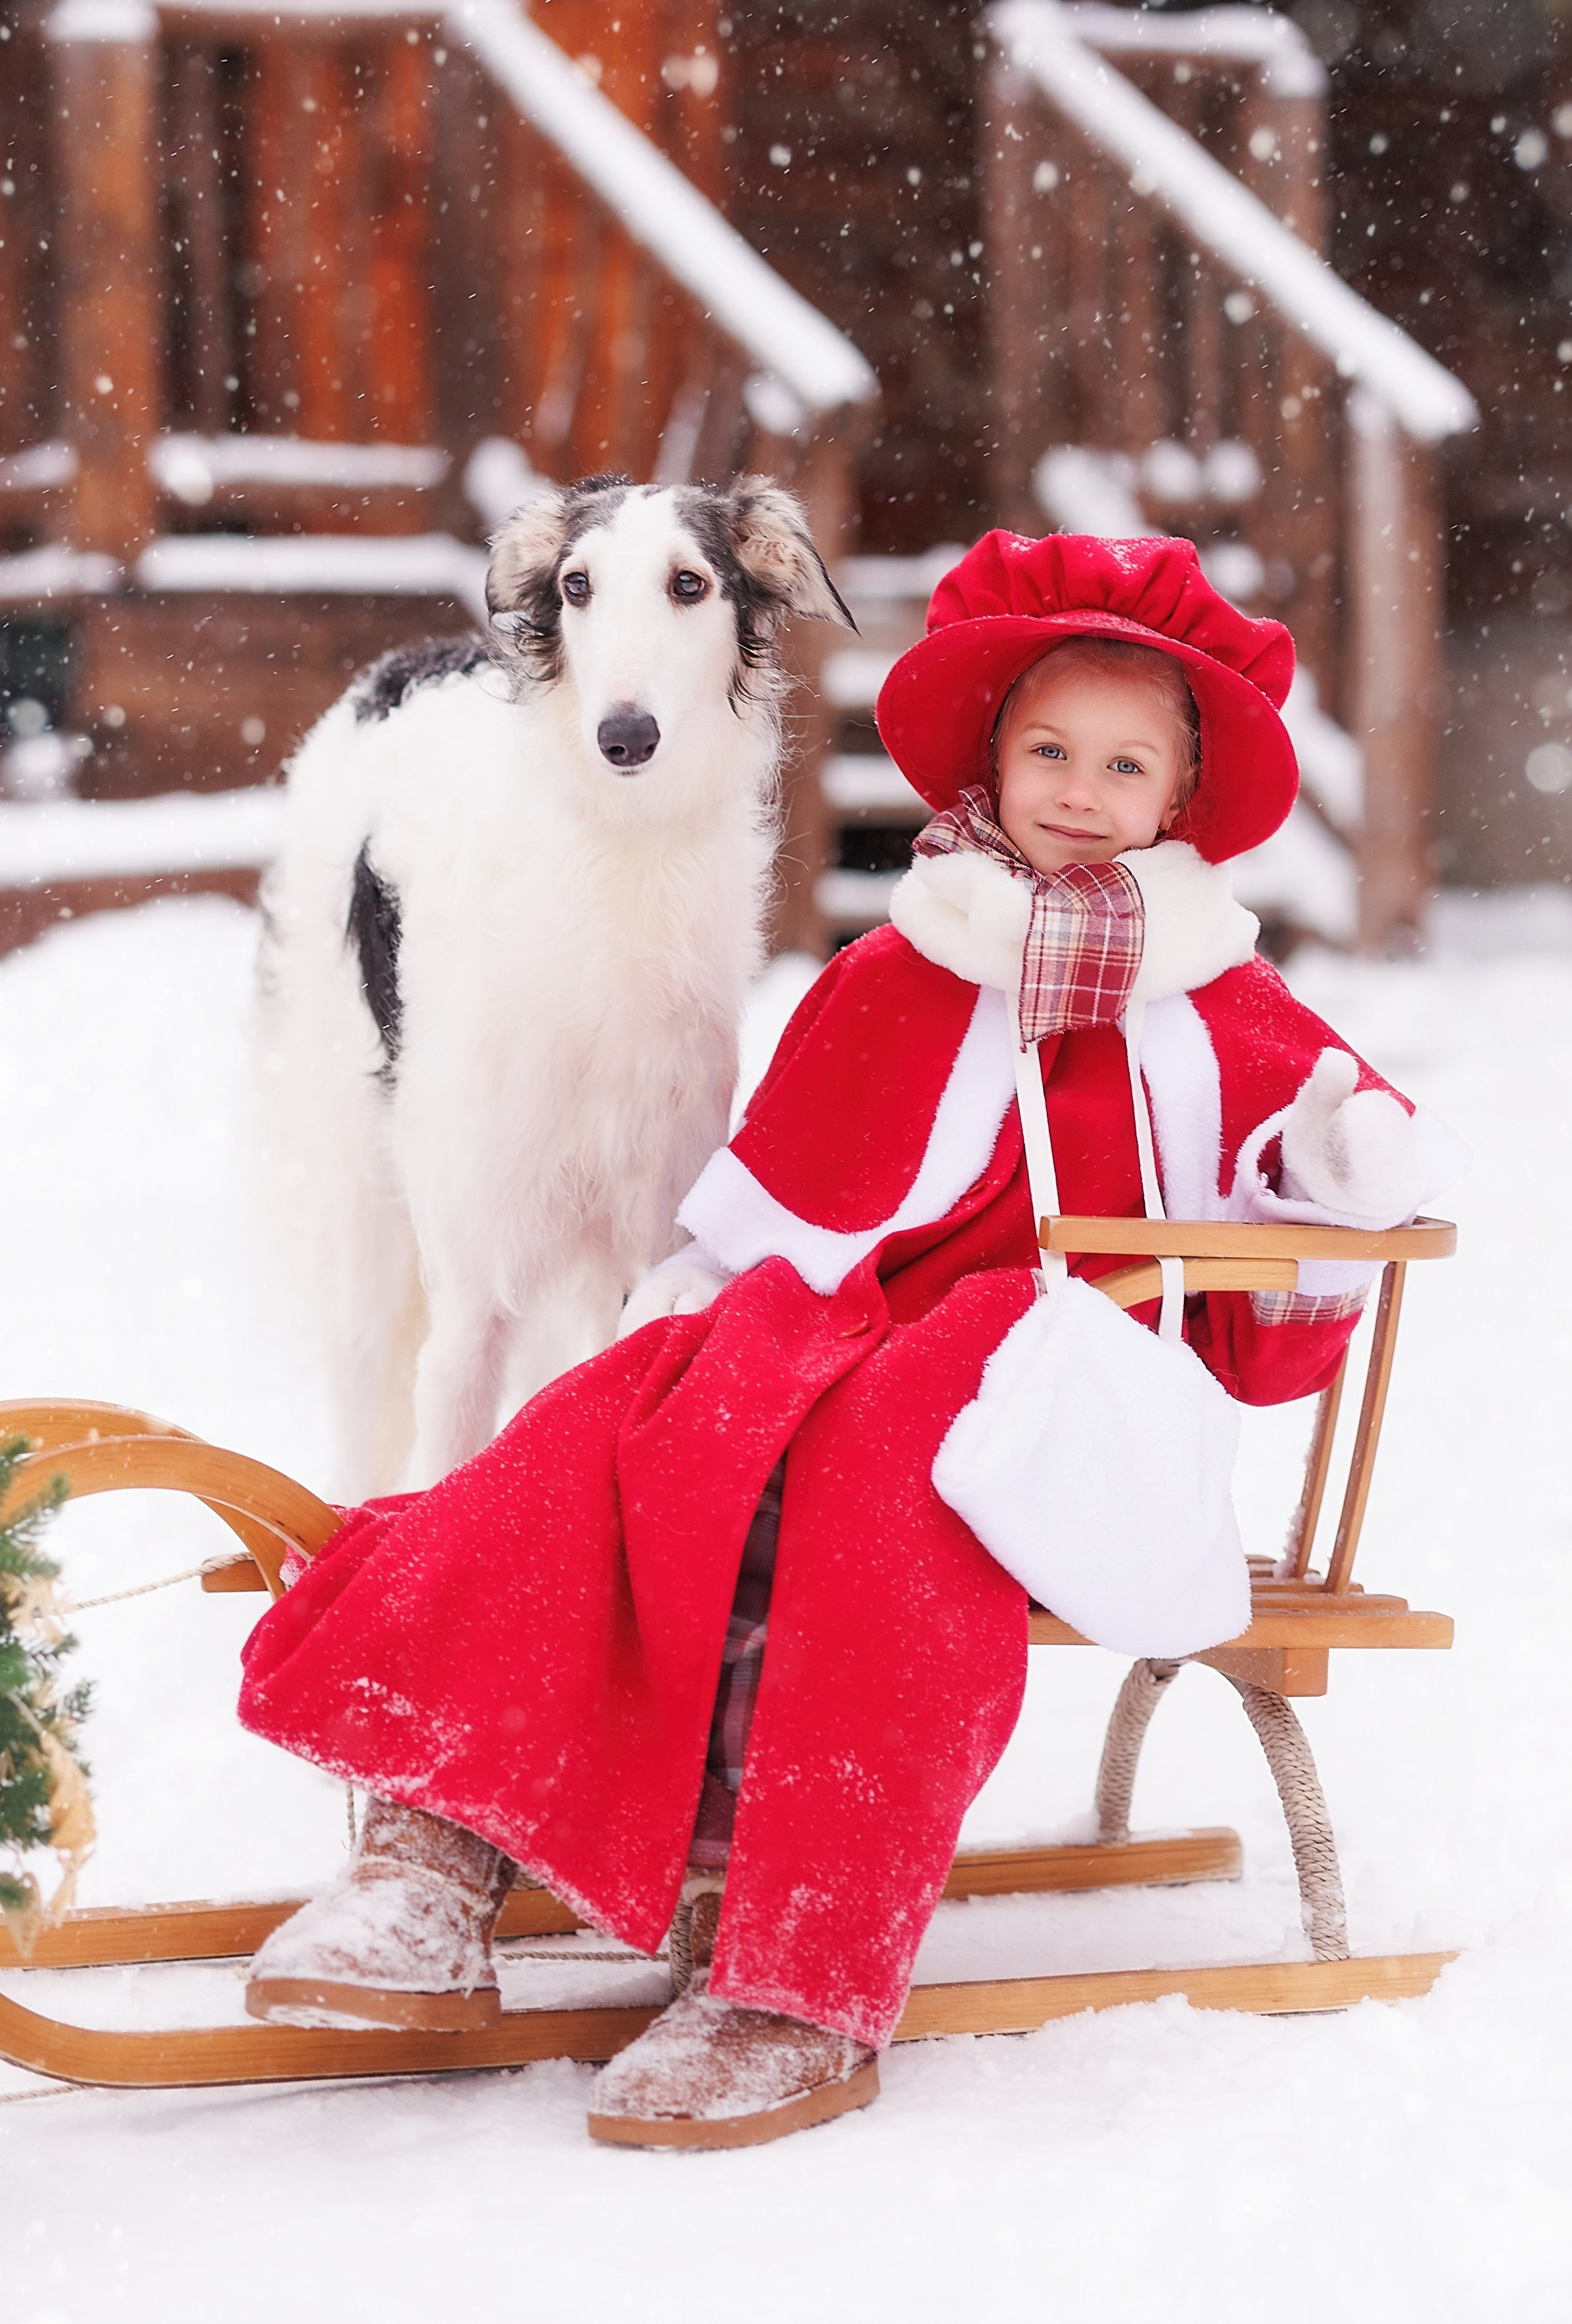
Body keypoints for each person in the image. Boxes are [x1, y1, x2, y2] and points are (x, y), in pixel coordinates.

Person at [236, 529, 1458, 2152]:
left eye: (1122, 766)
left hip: (1068, 1419)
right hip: (847, 1375)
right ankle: (436, 1848)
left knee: (912, 1409)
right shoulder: (900, 970)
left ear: (1178, 796)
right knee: (642, 1398)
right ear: (990, 761)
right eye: (1047, 752)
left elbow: (1307, 1242)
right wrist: (699, 1349)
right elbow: (755, 1227)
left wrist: (1331, 1168)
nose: (1078, 793)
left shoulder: (1218, 1005)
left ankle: (794, 1975)